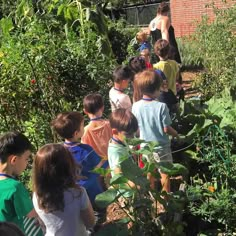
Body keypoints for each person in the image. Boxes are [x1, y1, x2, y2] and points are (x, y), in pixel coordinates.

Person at [32, 143, 95, 236]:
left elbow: (43, 224)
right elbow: (90, 223)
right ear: (68, 165)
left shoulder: (37, 195)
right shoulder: (78, 193)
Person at [132, 70, 179, 193]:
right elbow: (166, 128)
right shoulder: (161, 107)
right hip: (161, 146)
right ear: (157, 89)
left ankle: (152, 195)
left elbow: (136, 128)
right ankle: (166, 197)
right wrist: (177, 135)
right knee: (165, 173)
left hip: (145, 146)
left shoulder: (135, 106)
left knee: (150, 171)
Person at [51, 112, 106, 205]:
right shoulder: (86, 150)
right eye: (82, 126)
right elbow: (100, 168)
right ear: (76, 133)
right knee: (99, 214)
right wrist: (106, 160)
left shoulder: (59, 152)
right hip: (92, 192)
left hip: (74, 195)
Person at [0, 131, 42, 235]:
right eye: (26, 159)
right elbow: (32, 214)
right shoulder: (15, 187)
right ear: (13, 160)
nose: (27, 163)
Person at [108, 108, 138, 186]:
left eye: (133, 134)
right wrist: (136, 185)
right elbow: (119, 175)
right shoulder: (115, 151)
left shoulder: (121, 141)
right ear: (115, 132)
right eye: (128, 134)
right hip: (126, 193)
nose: (132, 137)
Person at [82, 93, 112, 163]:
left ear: (85, 111)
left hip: (98, 167)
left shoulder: (85, 130)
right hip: (112, 162)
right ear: (102, 108)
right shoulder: (109, 124)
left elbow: (85, 151)